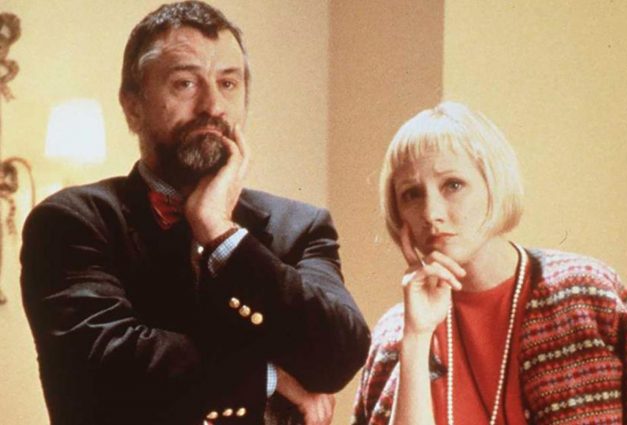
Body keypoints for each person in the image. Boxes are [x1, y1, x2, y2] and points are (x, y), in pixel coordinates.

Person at [20, 2, 370, 425]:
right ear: (132, 106)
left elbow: (339, 355)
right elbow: (106, 371)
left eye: (228, 83)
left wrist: (221, 234)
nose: (213, 106)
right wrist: (268, 377)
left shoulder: (300, 226)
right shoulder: (69, 222)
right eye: (185, 83)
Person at [352, 101, 627, 424]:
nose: (431, 213)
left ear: (494, 185)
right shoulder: (396, 334)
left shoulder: (583, 294)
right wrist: (417, 338)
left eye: (453, 185)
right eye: (412, 194)